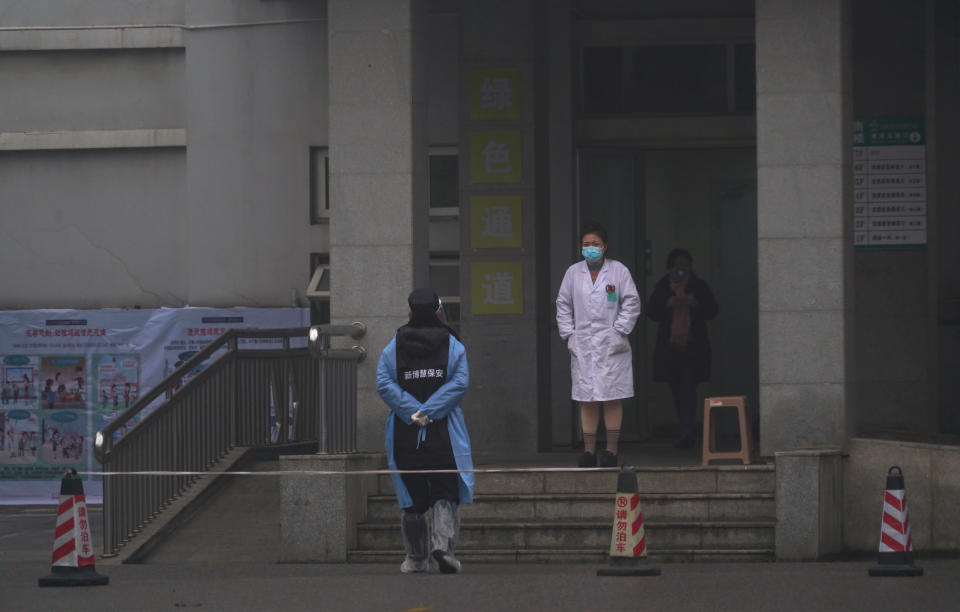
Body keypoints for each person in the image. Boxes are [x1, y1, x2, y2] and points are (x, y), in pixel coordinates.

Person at [376, 288, 474, 574]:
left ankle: (416, 558)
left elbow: (384, 382)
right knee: (445, 490)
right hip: (444, 432)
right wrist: (430, 411)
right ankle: (442, 548)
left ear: (409, 313)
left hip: (405, 433)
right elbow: (460, 382)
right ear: (438, 313)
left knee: (412, 496)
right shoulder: (452, 343)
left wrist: (412, 411)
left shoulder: (394, 344)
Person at [556, 223, 642, 468]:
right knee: (588, 397)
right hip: (583, 344)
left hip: (611, 342)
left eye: (595, 244)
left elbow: (631, 303)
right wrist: (570, 334)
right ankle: (589, 451)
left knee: (612, 396)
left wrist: (619, 330)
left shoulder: (618, 271)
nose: (591, 249)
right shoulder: (573, 273)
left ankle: (611, 451)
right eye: (586, 245)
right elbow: (562, 305)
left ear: (605, 246)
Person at [646, 248, 719, 448]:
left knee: (689, 389)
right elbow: (651, 311)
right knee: (677, 391)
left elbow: (712, 310)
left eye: (684, 264)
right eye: (676, 265)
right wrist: (667, 303)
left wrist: (695, 304)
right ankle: (685, 427)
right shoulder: (663, 286)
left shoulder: (698, 286)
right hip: (670, 350)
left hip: (693, 348)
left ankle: (687, 431)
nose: (680, 269)